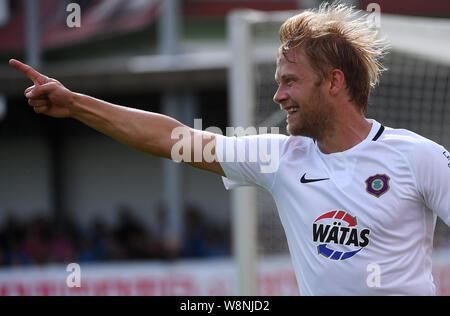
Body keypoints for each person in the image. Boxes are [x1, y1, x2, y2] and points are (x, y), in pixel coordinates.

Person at [9, 3, 449, 295]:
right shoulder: (280, 158)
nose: (278, 97)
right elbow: (173, 139)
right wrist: (76, 104)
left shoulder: (416, 158)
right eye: (277, 82)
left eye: (289, 81)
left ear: (334, 82)